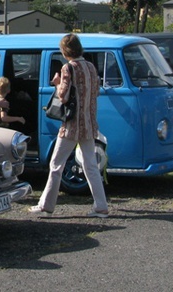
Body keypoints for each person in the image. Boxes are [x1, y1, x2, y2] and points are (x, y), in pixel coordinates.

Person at [30, 33, 109, 218]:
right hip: (89, 123)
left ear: (65, 51)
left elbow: (63, 97)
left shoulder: (68, 68)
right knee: (90, 165)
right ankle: (101, 206)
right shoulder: (91, 67)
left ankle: (46, 206)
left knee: (56, 164)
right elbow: (96, 92)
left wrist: (57, 84)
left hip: (72, 125)